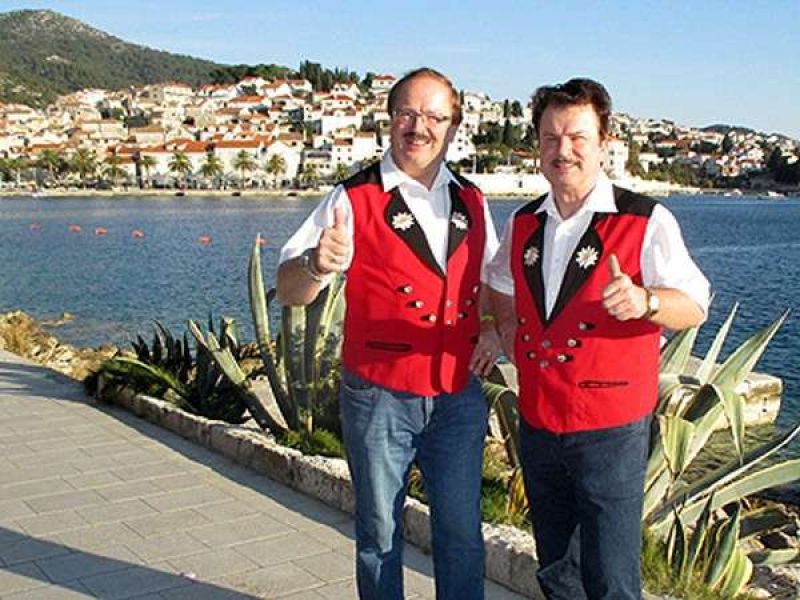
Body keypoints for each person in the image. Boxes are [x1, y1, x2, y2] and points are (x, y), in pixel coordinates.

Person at [277, 67, 500, 600]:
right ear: (390, 119)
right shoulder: (351, 197)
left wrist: (494, 329)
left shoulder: (472, 199)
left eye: (434, 117)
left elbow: (491, 285)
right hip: (378, 394)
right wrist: (316, 263)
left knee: (463, 536)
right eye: (407, 113)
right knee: (379, 534)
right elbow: (289, 289)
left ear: (453, 127)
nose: (419, 127)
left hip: (457, 395)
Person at [487, 78, 710, 600]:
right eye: (550, 137)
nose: (562, 150)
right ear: (537, 145)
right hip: (539, 420)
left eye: (577, 137)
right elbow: (498, 282)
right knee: (556, 570)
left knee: (611, 577)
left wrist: (646, 301)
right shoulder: (523, 222)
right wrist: (503, 329)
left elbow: (695, 303)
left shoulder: (645, 219)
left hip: (611, 429)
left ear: (604, 142)